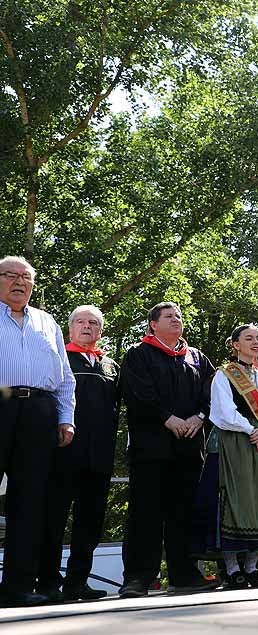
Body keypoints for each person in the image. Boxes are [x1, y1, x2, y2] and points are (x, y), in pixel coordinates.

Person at [118, 302, 218, 598]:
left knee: (184, 512)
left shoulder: (197, 357)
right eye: (169, 317)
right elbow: (136, 393)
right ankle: (138, 578)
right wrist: (166, 417)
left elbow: (213, 392)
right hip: (151, 448)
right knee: (145, 513)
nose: (176, 320)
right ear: (152, 324)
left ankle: (184, 574)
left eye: (179, 316)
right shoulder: (139, 354)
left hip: (189, 447)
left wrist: (200, 417)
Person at [0, 256, 76, 607]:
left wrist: (65, 418)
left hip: (39, 413)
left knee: (29, 501)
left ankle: (16, 587)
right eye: (11, 275)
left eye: (26, 277)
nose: (19, 282)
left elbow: (64, 378)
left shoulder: (47, 322)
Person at [191, 325, 258, 589]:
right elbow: (223, 412)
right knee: (235, 499)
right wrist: (251, 429)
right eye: (249, 338)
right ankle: (233, 568)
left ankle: (252, 567)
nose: (256, 342)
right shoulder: (224, 375)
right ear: (235, 344)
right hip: (233, 442)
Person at [36, 305, 119, 602]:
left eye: (94, 323)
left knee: (90, 520)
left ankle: (77, 582)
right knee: (53, 519)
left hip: (99, 455)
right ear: (69, 328)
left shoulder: (110, 365)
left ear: (101, 329)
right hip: (64, 452)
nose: (87, 327)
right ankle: (46, 582)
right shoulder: (58, 358)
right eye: (81, 322)